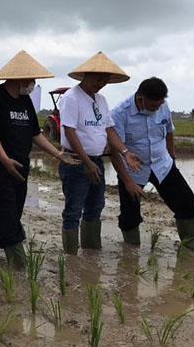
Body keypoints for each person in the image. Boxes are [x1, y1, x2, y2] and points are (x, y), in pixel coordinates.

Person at [0, 50, 78, 268]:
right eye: (31, 80)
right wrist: (4, 159)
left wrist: (58, 154)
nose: (32, 84)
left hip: (20, 171)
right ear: (19, 78)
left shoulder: (25, 101)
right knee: (10, 224)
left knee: (8, 216)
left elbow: (35, 134)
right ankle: (20, 269)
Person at [58, 52, 141, 254]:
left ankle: (90, 253)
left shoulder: (101, 100)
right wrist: (86, 162)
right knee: (73, 210)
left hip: (96, 162)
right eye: (98, 78)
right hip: (77, 162)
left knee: (95, 207)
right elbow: (69, 131)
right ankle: (71, 257)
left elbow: (109, 130)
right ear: (86, 75)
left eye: (105, 80)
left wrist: (125, 151)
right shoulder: (72, 97)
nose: (101, 83)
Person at [109, 77, 194, 249]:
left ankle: (192, 247)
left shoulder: (162, 106)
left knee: (187, 203)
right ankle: (131, 252)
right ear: (140, 98)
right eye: (152, 106)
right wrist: (128, 182)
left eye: (159, 105)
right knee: (130, 215)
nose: (156, 109)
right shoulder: (119, 113)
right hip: (133, 169)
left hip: (162, 165)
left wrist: (172, 159)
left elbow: (169, 132)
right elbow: (114, 151)